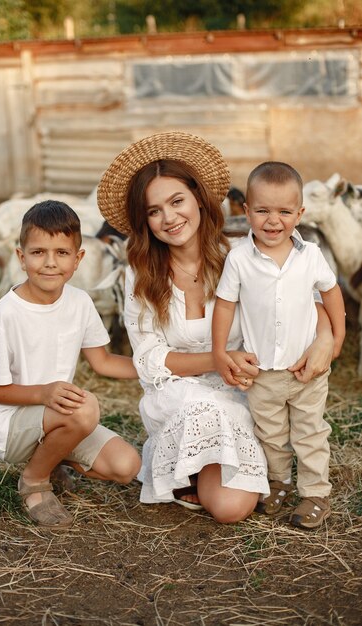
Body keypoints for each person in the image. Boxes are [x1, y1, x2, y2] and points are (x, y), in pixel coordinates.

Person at [96, 132, 335, 523]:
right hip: (179, 395)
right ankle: (186, 459)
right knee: (200, 411)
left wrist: (325, 338)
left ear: (198, 199)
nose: (169, 218)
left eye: (177, 202)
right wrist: (219, 359)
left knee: (230, 508)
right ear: (144, 220)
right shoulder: (140, 273)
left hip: (242, 391)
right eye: (154, 211)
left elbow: (302, 301)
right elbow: (150, 358)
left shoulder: (239, 254)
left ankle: (200, 470)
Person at [0, 200, 141, 529]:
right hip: (9, 428)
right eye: (38, 252)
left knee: (127, 466)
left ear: (78, 258)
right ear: (21, 257)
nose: (50, 263)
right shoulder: (5, 315)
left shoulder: (79, 303)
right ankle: (35, 481)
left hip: (56, 417)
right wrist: (44, 393)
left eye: (62, 253)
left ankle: (50, 457)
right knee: (85, 408)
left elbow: (104, 361)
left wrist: (158, 365)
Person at [212, 161, 346, 529]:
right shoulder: (239, 258)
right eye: (263, 211)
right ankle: (279, 483)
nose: (274, 221)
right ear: (246, 211)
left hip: (306, 368)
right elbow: (225, 305)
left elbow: (331, 292)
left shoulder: (311, 255)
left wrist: (337, 336)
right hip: (263, 372)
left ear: (300, 213)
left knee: (310, 432)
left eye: (285, 211)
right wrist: (220, 351)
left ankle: (316, 493)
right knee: (270, 433)